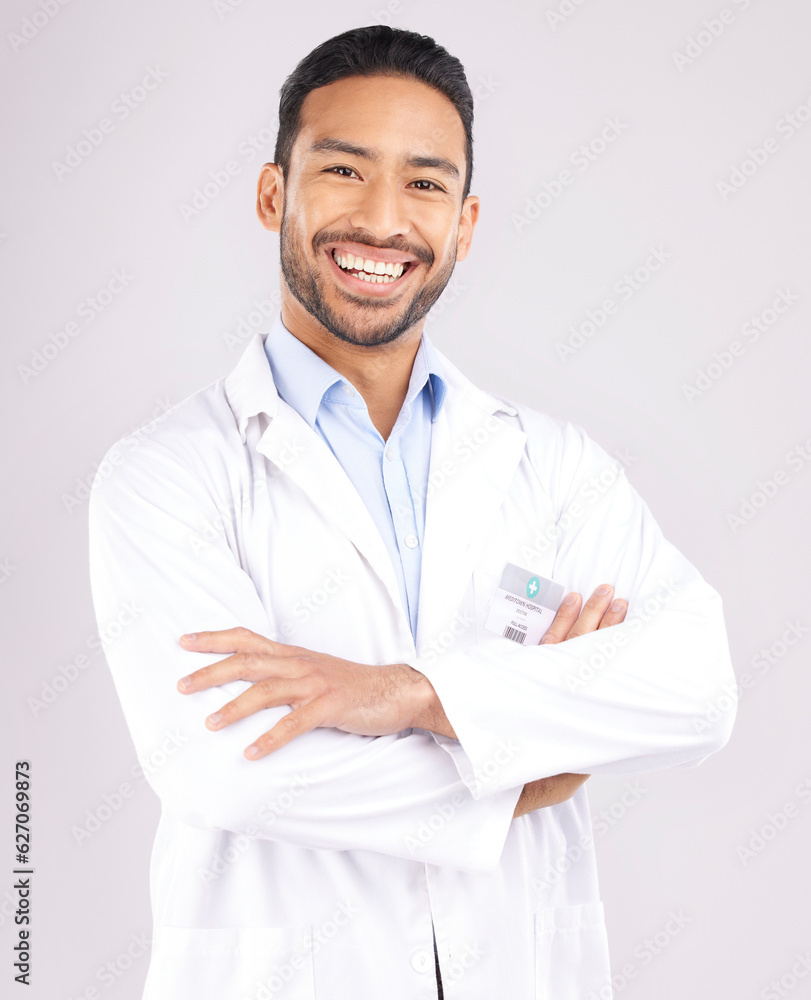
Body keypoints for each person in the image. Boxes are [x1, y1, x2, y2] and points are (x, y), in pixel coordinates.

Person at [88, 24, 736, 1000]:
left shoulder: (551, 466)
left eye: (425, 183)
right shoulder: (167, 474)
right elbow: (231, 769)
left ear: (466, 222)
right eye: (344, 170)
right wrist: (529, 761)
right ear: (274, 194)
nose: (383, 219)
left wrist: (413, 692)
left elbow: (698, 690)